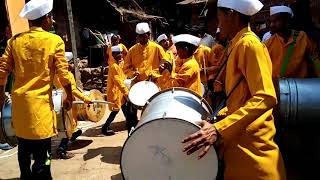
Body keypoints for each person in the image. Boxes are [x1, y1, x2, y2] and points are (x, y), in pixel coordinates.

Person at [182, 0, 286, 179]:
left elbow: (266, 96)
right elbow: (239, 98)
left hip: (253, 150)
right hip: (238, 143)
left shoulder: (249, 45)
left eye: (219, 16)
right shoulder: (235, 44)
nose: (218, 22)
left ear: (231, 14)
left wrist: (219, 129)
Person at [0, 0, 73, 179]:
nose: (52, 21)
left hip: (21, 109)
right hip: (40, 110)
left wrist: (1, 95)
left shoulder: (14, 41)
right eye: (51, 17)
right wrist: (69, 97)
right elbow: (64, 74)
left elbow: (2, 71)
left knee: (23, 150)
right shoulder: (54, 41)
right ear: (46, 18)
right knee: (43, 156)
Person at [123, 22, 169, 126]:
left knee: (153, 112)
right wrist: (133, 73)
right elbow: (125, 68)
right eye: (140, 37)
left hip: (153, 85)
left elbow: (166, 64)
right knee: (131, 113)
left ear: (149, 35)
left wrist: (155, 74)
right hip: (137, 86)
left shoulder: (157, 48)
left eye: (145, 37)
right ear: (137, 37)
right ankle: (132, 131)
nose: (143, 39)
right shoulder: (132, 50)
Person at [54, 56, 93, 159]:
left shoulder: (55, 75)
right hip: (68, 103)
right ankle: (61, 150)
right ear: (66, 63)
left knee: (68, 126)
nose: (72, 65)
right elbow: (73, 90)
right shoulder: (68, 75)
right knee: (68, 127)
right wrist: (86, 99)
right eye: (71, 63)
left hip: (60, 102)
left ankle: (72, 136)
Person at [265, 5, 319, 79]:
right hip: (279, 87)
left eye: (276, 21)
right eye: (271, 21)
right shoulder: (268, 43)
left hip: (301, 86)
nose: (272, 25)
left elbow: (315, 59)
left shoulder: (302, 37)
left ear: (287, 21)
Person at [103, 45, 136, 135]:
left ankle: (131, 124)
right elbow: (118, 82)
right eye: (118, 53)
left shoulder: (120, 64)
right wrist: (127, 93)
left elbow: (124, 76)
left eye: (121, 53)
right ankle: (105, 128)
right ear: (113, 54)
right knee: (115, 110)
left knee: (125, 109)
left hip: (120, 92)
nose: (120, 55)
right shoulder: (114, 66)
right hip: (115, 92)